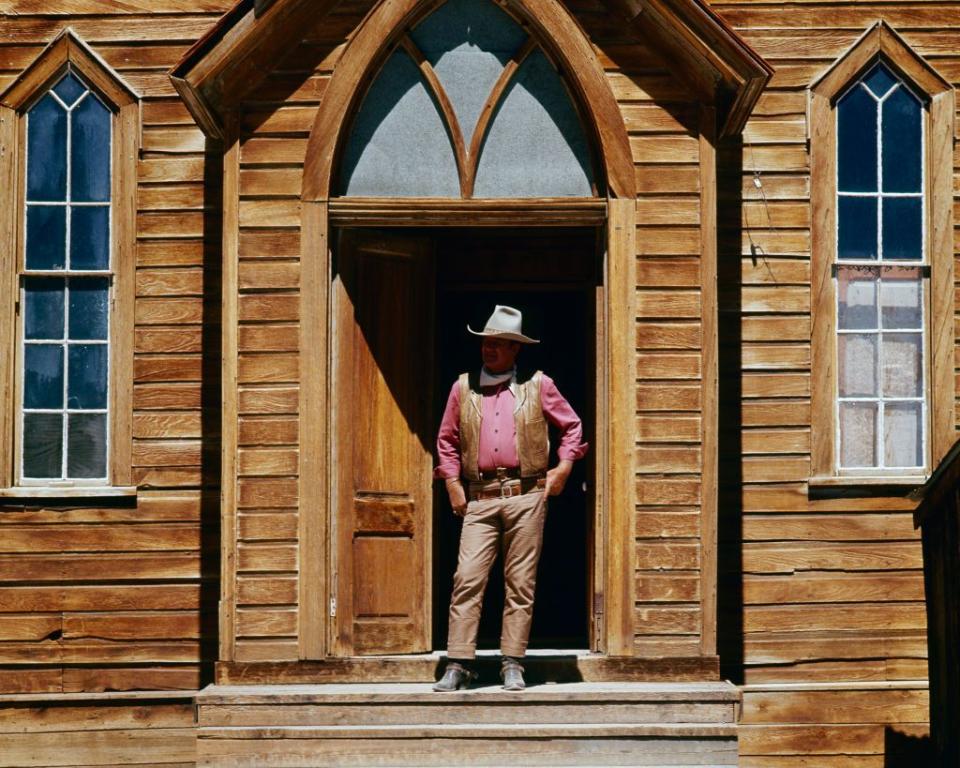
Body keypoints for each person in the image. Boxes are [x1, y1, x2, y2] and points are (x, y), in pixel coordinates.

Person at [433, 305, 588, 692]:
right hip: (480, 497)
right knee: (467, 578)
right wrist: (452, 483)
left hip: (527, 494)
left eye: (500, 344)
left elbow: (572, 426)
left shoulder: (539, 385)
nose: (490, 349)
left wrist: (564, 468)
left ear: (515, 349)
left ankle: (512, 662)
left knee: (520, 582)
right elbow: (447, 439)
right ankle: (459, 662)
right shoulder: (462, 387)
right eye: (487, 342)